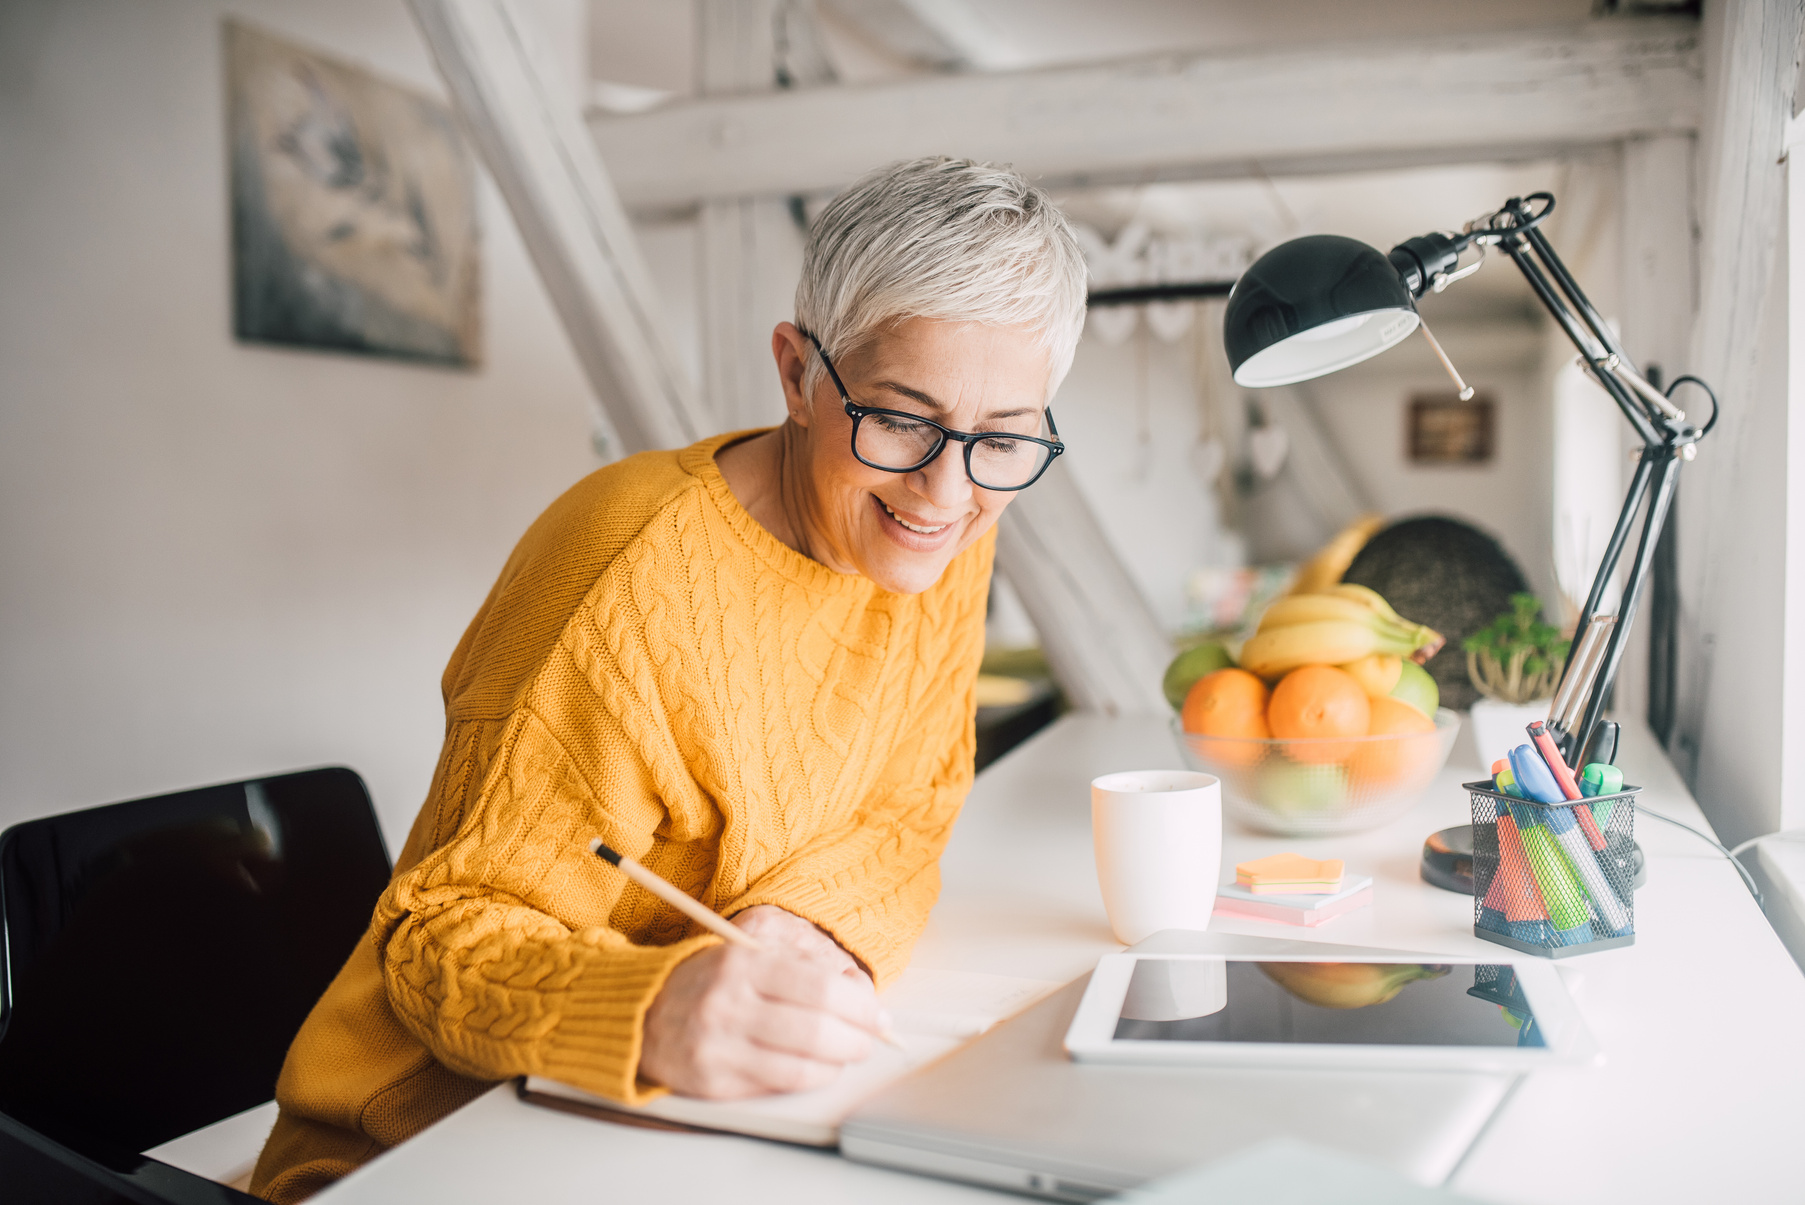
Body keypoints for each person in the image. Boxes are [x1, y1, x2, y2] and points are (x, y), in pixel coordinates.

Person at [250, 156, 1087, 1202]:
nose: (945, 488)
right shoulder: (624, 576)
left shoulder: (946, 532)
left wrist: (810, 916)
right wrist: (649, 1010)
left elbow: (915, 802)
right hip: (426, 1149)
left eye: (1002, 436)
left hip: (690, 1138)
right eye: (900, 419)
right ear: (794, 373)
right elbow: (434, 942)